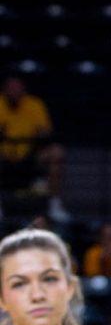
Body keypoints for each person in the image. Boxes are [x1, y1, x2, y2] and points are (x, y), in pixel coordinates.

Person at [0, 77, 67, 221]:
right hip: (4, 155)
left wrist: (39, 134)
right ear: (4, 90)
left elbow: (46, 131)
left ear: (23, 90)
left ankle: (54, 204)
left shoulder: (34, 104)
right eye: (11, 89)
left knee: (56, 152)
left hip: (30, 155)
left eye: (17, 88)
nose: (14, 92)